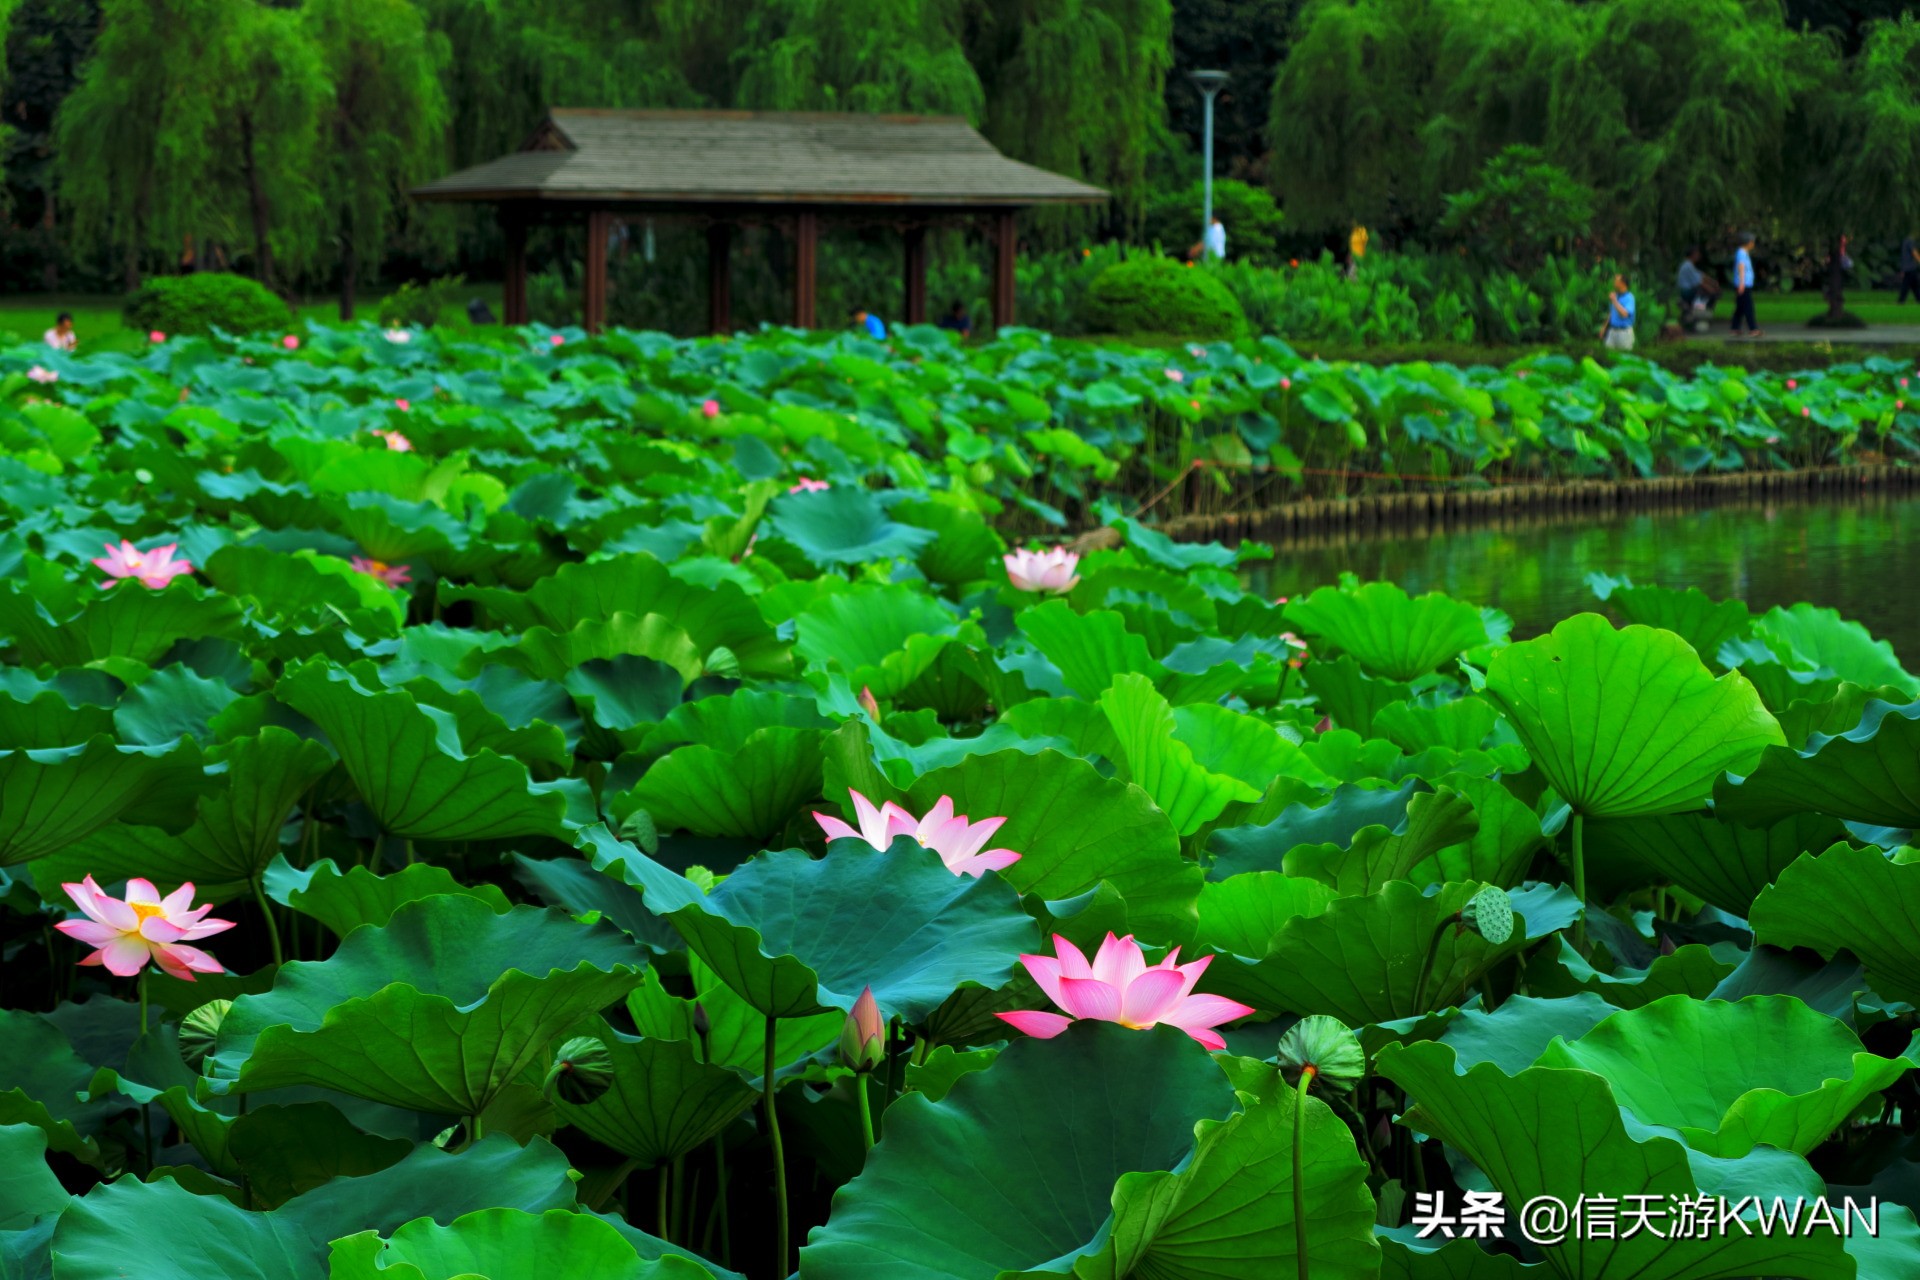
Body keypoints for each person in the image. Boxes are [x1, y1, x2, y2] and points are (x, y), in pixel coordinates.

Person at [1676, 247, 1719, 330]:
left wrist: (1713, 282)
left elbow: (1700, 275)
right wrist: (1712, 290)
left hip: (1687, 290)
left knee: (1709, 293)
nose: (1698, 256)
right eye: (1697, 254)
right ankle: (1699, 311)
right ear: (1692, 255)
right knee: (1708, 295)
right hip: (1687, 292)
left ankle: (1696, 311)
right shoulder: (1688, 266)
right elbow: (1699, 282)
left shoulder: (1688, 265)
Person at [1730, 231, 1762, 338]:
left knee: (1740, 307)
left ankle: (1735, 328)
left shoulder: (1743, 252)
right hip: (1743, 284)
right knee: (1748, 306)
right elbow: (1741, 267)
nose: (1753, 244)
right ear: (1748, 242)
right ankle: (1753, 328)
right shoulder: (1741, 253)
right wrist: (1742, 283)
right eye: (1752, 242)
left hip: (1745, 284)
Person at [1602, 272, 1636, 351]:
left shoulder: (1629, 298)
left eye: (1616, 280)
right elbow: (1611, 312)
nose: (1614, 282)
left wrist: (1614, 301)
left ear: (1623, 283)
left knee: (1623, 355)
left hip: (1624, 332)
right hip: (1612, 331)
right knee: (1608, 353)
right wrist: (1604, 327)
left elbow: (1624, 314)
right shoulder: (1616, 295)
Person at [1901, 233, 1920, 304]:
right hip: (1910, 267)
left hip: (1907, 267)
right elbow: (1914, 252)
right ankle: (1901, 301)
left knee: (1915, 286)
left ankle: (1901, 301)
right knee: (1907, 286)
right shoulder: (1910, 241)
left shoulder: (1905, 242)